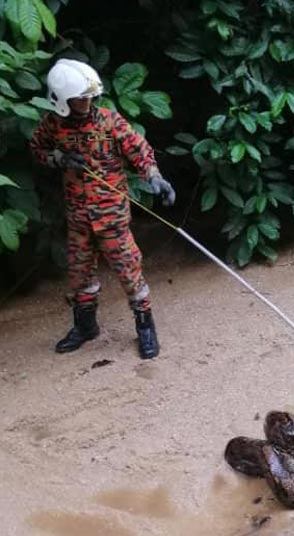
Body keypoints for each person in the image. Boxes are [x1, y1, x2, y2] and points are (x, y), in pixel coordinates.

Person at [30, 58, 176, 359]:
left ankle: (145, 326)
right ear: (62, 100)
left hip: (111, 217)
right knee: (79, 273)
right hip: (78, 218)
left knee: (129, 271)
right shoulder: (52, 126)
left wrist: (155, 177)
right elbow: (37, 149)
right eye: (79, 98)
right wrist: (59, 158)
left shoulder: (109, 121)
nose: (85, 103)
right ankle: (85, 326)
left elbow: (139, 150)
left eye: (88, 97)